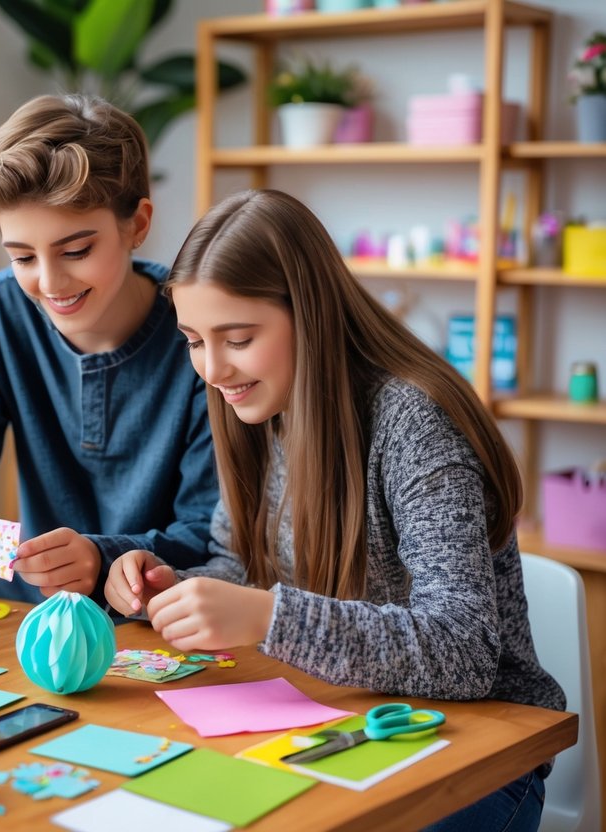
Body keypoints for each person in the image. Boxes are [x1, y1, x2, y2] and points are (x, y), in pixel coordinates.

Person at [104, 189, 564, 831]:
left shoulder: (415, 422)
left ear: (310, 316)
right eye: (194, 341)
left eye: (237, 338)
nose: (212, 368)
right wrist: (180, 588)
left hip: (480, 753)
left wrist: (268, 615)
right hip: (342, 717)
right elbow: (241, 563)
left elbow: (464, 651)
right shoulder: (256, 406)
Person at [0, 94, 220, 605]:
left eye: (75, 251)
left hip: (164, 633)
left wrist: (101, 557)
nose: (50, 283)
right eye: (22, 257)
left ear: (136, 225)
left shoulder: (198, 332)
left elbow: (210, 534)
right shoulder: (2, 309)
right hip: (24, 624)